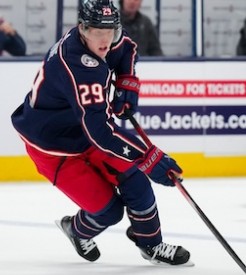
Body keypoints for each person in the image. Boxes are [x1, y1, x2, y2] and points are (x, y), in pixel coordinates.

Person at [11, 0, 191, 267]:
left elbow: (127, 47)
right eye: (98, 31)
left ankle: (151, 245)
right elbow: (103, 135)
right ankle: (75, 229)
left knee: (138, 183)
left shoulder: (103, 38)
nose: (106, 40)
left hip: (86, 131)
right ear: (82, 28)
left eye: (111, 30)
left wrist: (126, 82)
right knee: (109, 212)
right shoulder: (78, 66)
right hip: (53, 148)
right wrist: (149, 157)